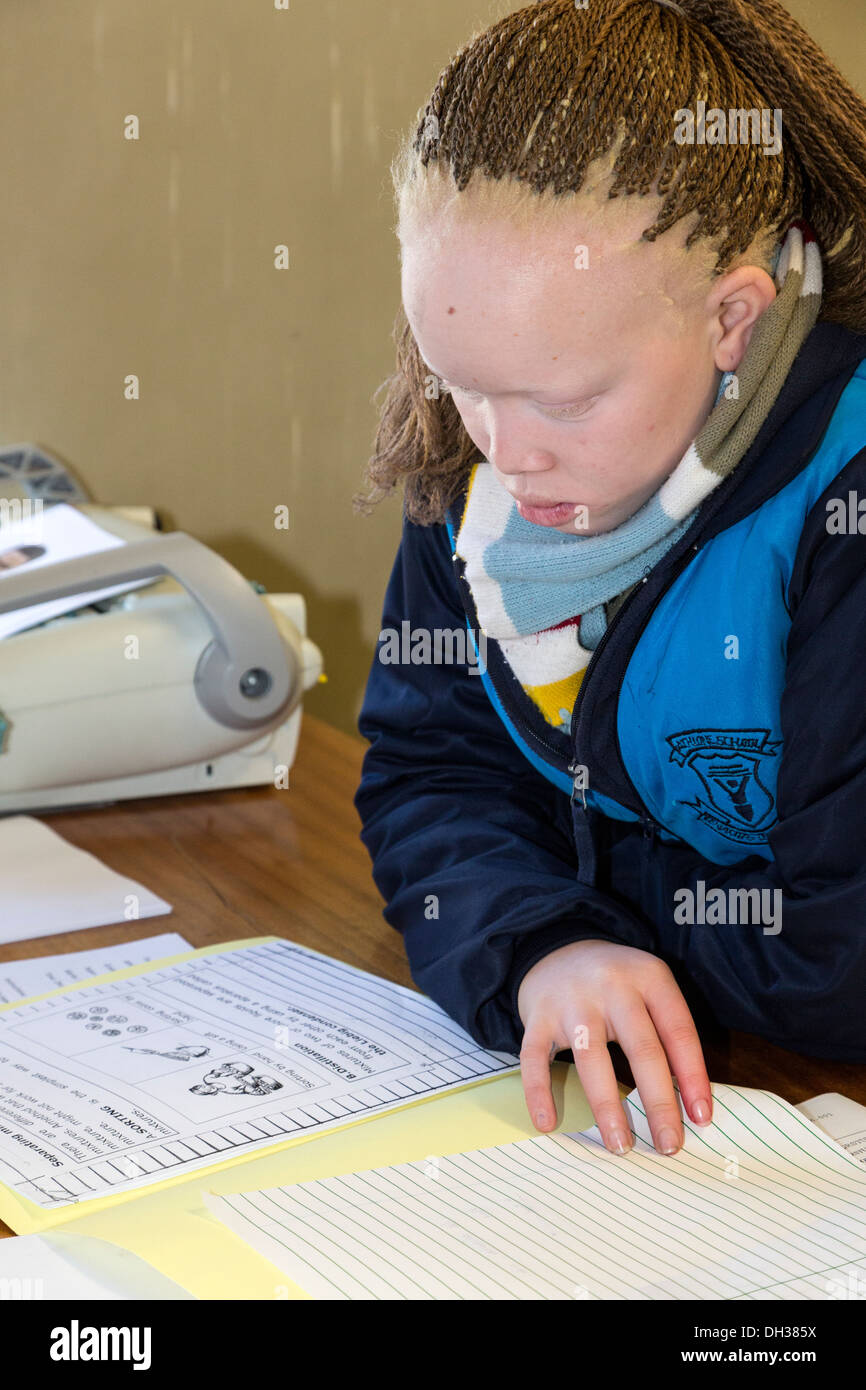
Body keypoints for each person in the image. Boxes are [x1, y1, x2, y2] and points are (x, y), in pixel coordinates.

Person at [353, 0, 866, 1159]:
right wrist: (543, 944)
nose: (507, 449)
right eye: (458, 381)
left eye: (567, 398)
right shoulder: (474, 459)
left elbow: (836, 961)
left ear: (733, 316)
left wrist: (595, 904)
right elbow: (429, 771)